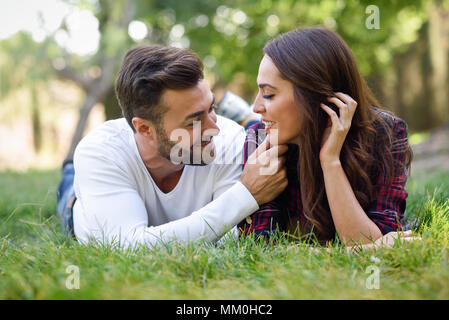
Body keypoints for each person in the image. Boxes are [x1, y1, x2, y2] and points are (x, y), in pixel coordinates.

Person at [56, 45, 288, 248]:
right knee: (70, 183)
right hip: (81, 203)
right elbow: (129, 247)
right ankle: (70, 172)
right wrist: (245, 195)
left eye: (212, 108)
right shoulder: (100, 152)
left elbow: (229, 238)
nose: (214, 129)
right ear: (145, 129)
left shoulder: (229, 139)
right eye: (194, 121)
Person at [238, 27, 415, 246]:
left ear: (313, 96)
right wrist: (362, 250)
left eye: (268, 95)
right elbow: (261, 246)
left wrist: (330, 161)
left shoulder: (385, 133)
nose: (256, 107)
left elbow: (371, 237)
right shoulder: (260, 140)